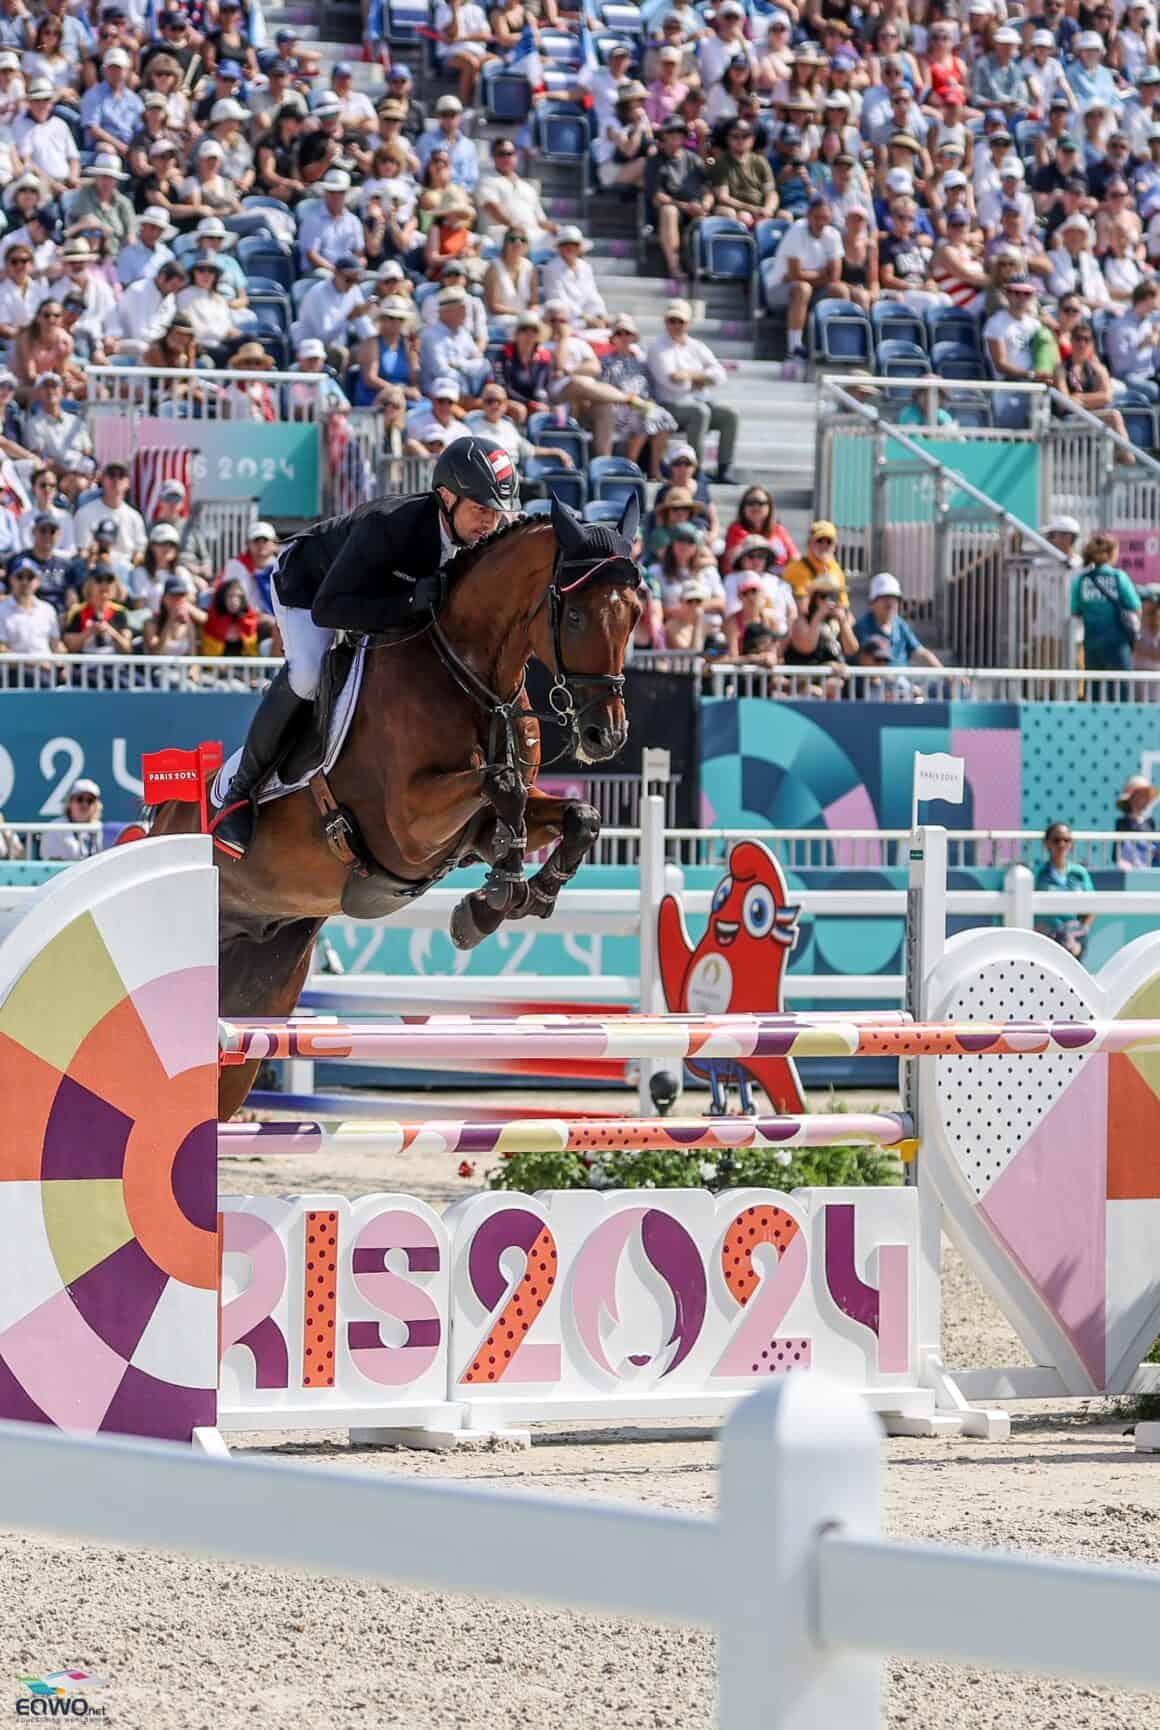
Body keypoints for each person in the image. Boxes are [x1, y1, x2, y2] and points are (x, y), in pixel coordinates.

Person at [211, 438, 522, 859]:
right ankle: (239, 793)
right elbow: (330, 610)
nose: (488, 523)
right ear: (446, 496)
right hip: (311, 588)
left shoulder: (481, 538)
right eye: (480, 509)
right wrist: (412, 600)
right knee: (307, 673)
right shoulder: (390, 523)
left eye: (495, 512)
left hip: (378, 599)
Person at [646, 299, 738, 481]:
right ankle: (696, 470)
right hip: (669, 405)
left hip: (696, 401)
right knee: (700, 412)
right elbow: (671, 382)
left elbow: (720, 375)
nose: (676, 325)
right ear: (665, 321)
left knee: (729, 415)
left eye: (681, 321)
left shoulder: (695, 346)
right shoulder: (657, 348)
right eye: (672, 320)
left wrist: (688, 375)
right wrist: (702, 377)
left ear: (688, 323)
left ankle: (724, 469)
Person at [1070, 530, 1141, 694]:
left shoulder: (1081, 580)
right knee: (1121, 690)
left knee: (1094, 691)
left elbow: (1075, 611)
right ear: (1110, 553)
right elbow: (1135, 606)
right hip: (1118, 644)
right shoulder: (1118, 577)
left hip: (1092, 644)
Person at [854, 572, 943, 669]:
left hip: (901, 681)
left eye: (894, 599)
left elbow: (920, 652)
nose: (891, 603)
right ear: (872, 602)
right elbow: (867, 660)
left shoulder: (900, 624)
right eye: (885, 598)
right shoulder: (862, 627)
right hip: (878, 683)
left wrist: (945, 674)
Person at [1034, 821, 1094, 959]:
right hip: (1047, 941)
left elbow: (1092, 907)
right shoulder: (1038, 874)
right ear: (1047, 843)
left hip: (1075, 941)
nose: (1062, 844)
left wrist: (1082, 931)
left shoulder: (1080, 873)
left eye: (1066, 840)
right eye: (1056, 840)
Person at [0, 561, 63, 656]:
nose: (25, 582)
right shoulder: (2, 610)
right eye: (20, 576)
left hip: (47, 668)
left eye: (30, 577)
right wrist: (34, 663)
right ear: (11, 580)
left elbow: (55, 644)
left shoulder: (48, 609)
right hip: (15, 670)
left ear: (38, 581)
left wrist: (62, 664)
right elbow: (1, 648)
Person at [782, 519, 849, 606]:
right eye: (820, 540)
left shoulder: (836, 569)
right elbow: (802, 608)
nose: (824, 545)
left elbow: (843, 603)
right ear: (809, 543)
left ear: (835, 546)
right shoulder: (796, 568)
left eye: (829, 541)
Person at [39, 778, 103, 861]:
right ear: (70, 802)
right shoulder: (55, 828)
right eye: (80, 799)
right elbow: (53, 863)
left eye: (90, 801)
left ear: (96, 806)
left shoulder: (100, 828)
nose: (84, 804)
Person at [1114, 773, 1160, 867]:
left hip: (1149, 869)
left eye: (1147, 796)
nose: (1146, 799)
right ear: (1133, 797)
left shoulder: (1150, 822)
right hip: (1131, 870)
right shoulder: (1123, 823)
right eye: (1142, 795)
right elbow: (1118, 852)